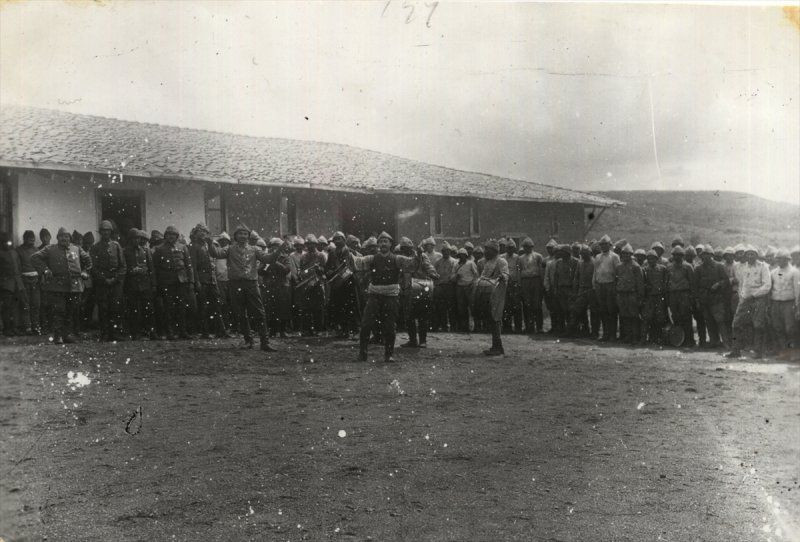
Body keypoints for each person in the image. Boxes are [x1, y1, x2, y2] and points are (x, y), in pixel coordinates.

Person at [347, 231, 424, 362]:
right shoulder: (372, 258)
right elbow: (357, 263)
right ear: (378, 244)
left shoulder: (397, 259)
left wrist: (419, 255)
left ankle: (389, 354)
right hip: (374, 294)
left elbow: (411, 265)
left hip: (391, 295)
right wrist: (348, 254)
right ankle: (363, 353)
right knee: (366, 324)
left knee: (389, 326)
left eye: (385, 241)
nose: (383, 243)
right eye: (381, 241)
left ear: (390, 244)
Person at [206, 224, 283, 351]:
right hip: (235, 284)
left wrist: (278, 251)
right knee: (241, 313)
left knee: (259, 312)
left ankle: (265, 342)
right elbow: (216, 253)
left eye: (245, 234)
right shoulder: (229, 249)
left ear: (248, 236)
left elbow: (268, 259)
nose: (243, 236)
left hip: (251, 284)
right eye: (240, 234)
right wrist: (209, 243)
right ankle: (248, 340)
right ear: (235, 236)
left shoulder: (255, 249)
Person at [31, 227, 92, 344]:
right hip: (57, 286)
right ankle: (58, 336)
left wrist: (85, 271)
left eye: (66, 236)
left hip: (74, 286)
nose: (64, 238)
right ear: (57, 238)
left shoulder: (77, 249)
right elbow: (34, 258)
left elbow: (88, 260)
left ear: (69, 238)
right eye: (61, 236)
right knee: (59, 311)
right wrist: (45, 270)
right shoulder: (50, 249)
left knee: (70, 311)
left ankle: (67, 335)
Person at [727, 246, 772, 358]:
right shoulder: (742, 268)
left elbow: (767, 285)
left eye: (752, 254)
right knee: (736, 323)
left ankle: (758, 352)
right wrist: (742, 296)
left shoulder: (763, 267)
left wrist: (754, 295)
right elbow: (742, 284)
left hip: (758, 299)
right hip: (745, 299)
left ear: (756, 256)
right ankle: (735, 350)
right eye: (748, 254)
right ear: (745, 256)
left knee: (758, 325)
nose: (750, 256)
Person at [152, 225, 194, 340]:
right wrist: (156, 283)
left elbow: (189, 266)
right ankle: (170, 332)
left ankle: (182, 331)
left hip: (181, 281)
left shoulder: (183, 247)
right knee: (168, 307)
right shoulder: (159, 249)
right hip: (166, 282)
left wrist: (191, 281)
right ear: (165, 236)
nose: (171, 237)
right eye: (169, 234)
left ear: (177, 236)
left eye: (173, 235)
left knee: (181, 307)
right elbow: (155, 268)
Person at [90, 220, 127, 341]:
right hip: (102, 283)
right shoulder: (95, 248)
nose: (106, 233)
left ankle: (115, 333)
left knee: (115, 308)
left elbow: (123, 266)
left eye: (108, 231)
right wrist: (104, 279)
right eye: (103, 231)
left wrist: (115, 279)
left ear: (111, 232)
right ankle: (105, 333)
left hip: (115, 283)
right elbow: (93, 268)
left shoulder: (116, 246)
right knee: (103, 308)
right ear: (100, 232)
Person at [399, 237, 438, 348]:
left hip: (420, 288)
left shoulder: (421, 256)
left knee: (422, 316)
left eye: (406, 248)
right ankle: (412, 340)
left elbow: (428, 266)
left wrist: (433, 273)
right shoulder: (401, 258)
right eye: (403, 248)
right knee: (409, 317)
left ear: (411, 247)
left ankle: (423, 341)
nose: (405, 250)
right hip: (407, 289)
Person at [189, 224, 227, 339]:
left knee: (216, 306)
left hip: (212, 280)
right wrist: (197, 282)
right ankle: (205, 332)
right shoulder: (193, 246)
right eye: (199, 231)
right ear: (195, 234)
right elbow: (193, 266)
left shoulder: (208, 245)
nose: (202, 234)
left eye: (205, 232)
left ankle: (221, 331)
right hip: (202, 280)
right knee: (203, 307)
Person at [472, 240, 509, 356]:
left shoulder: (501, 261)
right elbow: (483, 277)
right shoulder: (487, 262)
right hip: (488, 293)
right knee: (492, 319)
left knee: (496, 318)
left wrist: (503, 276)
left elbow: (506, 274)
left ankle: (498, 347)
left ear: (494, 251)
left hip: (498, 293)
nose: (485, 252)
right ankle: (496, 346)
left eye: (487, 250)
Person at [694, 245, 731, 349]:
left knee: (720, 320)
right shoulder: (698, 269)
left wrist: (718, 284)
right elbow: (695, 286)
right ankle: (714, 341)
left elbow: (726, 281)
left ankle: (726, 342)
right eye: (703, 255)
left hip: (717, 298)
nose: (705, 257)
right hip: (704, 299)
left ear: (712, 255)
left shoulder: (719, 266)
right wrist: (697, 299)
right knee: (709, 321)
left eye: (708, 255)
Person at [124, 229, 158, 340]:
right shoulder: (125, 251)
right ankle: (135, 333)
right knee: (134, 310)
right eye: (134, 238)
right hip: (132, 284)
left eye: (138, 238)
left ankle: (151, 331)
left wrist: (153, 284)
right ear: (130, 239)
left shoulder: (146, 250)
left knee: (148, 309)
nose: (136, 240)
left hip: (145, 284)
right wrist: (131, 271)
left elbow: (151, 268)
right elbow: (123, 267)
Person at [326, 232, 360, 338]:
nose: (336, 241)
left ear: (344, 240)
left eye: (339, 239)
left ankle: (354, 331)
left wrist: (345, 275)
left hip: (348, 283)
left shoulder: (350, 252)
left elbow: (354, 268)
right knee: (338, 307)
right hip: (337, 285)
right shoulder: (332, 253)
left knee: (351, 307)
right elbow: (328, 267)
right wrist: (329, 272)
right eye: (335, 240)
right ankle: (342, 330)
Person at [263, 238, 294, 338]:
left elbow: (286, 270)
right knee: (271, 309)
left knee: (283, 309)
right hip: (271, 286)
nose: (274, 248)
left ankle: (282, 330)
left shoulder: (286, 258)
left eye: (277, 246)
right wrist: (267, 265)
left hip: (282, 286)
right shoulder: (266, 258)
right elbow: (260, 271)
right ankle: (272, 331)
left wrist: (275, 262)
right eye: (273, 246)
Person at [769, 248, 799, 351]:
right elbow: (770, 288)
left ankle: (792, 351)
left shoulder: (794, 272)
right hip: (776, 303)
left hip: (789, 303)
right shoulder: (773, 272)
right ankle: (783, 351)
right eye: (777, 259)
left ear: (787, 259)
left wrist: (797, 306)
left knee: (790, 328)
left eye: (781, 259)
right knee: (777, 327)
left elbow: (797, 290)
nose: (778, 261)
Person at [296, 233, 327, 337]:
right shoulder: (303, 256)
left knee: (318, 308)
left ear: (316, 244)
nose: (310, 246)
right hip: (306, 284)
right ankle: (306, 329)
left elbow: (325, 271)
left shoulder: (321, 255)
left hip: (318, 283)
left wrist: (320, 269)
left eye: (312, 244)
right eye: (308, 244)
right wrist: (301, 275)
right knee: (306, 308)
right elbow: (300, 269)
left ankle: (319, 329)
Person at [666, 245, 696, 347]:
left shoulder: (688, 267)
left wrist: (692, 298)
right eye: (675, 255)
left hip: (684, 294)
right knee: (676, 317)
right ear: (672, 256)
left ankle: (689, 340)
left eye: (679, 255)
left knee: (686, 317)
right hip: (673, 295)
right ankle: (679, 340)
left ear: (683, 256)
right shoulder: (669, 267)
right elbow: (666, 283)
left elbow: (693, 283)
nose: (677, 257)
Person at [614, 244, 645, 344]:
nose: (625, 256)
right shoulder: (619, 266)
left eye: (627, 254)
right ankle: (627, 337)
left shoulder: (636, 266)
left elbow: (640, 283)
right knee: (624, 316)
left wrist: (640, 297)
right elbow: (616, 280)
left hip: (632, 294)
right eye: (624, 254)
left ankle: (635, 337)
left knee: (634, 317)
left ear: (631, 254)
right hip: (621, 294)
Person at [592, 234, 619, 341]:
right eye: (601, 244)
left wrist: (615, 287)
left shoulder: (614, 256)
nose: (603, 246)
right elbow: (595, 272)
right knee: (603, 310)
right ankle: (605, 334)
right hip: (600, 285)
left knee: (611, 310)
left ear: (610, 245)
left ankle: (612, 334)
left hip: (610, 285)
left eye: (605, 244)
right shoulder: (597, 257)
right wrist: (594, 284)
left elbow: (617, 272)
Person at [568, 245, 597, 337]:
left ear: (590, 253)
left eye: (585, 253)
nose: (583, 255)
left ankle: (594, 332)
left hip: (592, 290)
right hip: (581, 289)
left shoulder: (594, 263)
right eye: (582, 253)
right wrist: (575, 290)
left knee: (594, 312)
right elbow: (576, 277)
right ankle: (584, 330)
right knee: (579, 310)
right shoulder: (580, 263)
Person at [641, 249, 668, 344]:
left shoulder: (663, 269)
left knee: (659, 318)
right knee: (647, 317)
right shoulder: (644, 270)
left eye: (653, 259)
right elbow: (643, 283)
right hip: (649, 297)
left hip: (659, 297)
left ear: (657, 259)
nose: (651, 261)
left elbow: (665, 282)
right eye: (649, 259)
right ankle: (645, 338)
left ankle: (658, 338)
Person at [16, 230, 41, 335]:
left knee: (36, 304)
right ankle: (27, 327)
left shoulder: (36, 250)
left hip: (35, 280)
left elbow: (39, 265)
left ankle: (36, 326)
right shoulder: (19, 250)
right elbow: (17, 267)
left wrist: (39, 277)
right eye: (29, 238)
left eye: (33, 238)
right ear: (24, 239)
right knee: (25, 304)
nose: (32, 240)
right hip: (24, 280)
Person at [518, 237, 545, 334]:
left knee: (537, 304)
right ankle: (529, 326)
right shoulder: (520, 258)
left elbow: (541, 270)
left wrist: (541, 283)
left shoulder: (538, 256)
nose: (527, 248)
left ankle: (539, 327)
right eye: (525, 247)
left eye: (529, 247)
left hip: (536, 280)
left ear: (532, 247)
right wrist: (520, 284)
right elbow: (519, 271)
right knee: (527, 304)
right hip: (525, 281)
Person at [0, 232, 23, 336]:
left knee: (15, 307)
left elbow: (19, 267)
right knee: (6, 307)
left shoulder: (14, 253)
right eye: (5, 242)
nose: (7, 244)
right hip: (5, 284)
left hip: (17, 283)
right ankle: (7, 329)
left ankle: (15, 327)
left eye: (9, 242)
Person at [432, 242, 457, 332]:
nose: (445, 253)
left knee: (451, 307)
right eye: (444, 251)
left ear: (450, 251)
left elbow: (455, 274)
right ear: (442, 252)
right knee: (441, 307)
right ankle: (444, 326)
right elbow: (434, 273)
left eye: (447, 251)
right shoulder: (438, 262)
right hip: (440, 286)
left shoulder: (454, 262)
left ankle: (453, 326)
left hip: (450, 286)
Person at [552, 244, 576, 336]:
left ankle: (571, 330)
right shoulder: (559, 262)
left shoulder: (575, 262)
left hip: (570, 289)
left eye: (563, 252)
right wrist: (555, 288)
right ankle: (563, 329)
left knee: (570, 310)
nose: (561, 253)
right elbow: (556, 276)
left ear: (567, 253)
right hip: (560, 288)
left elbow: (576, 276)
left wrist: (574, 290)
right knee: (562, 310)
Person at [453, 247, 479, 332]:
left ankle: (475, 326)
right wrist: (456, 276)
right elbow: (452, 276)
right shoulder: (456, 265)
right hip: (460, 287)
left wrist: (473, 285)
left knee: (472, 307)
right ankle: (464, 327)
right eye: (460, 255)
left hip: (470, 287)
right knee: (461, 308)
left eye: (463, 255)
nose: (461, 257)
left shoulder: (471, 263)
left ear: (466, 256)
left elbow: (476, 275)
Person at [501, 238, 523, 334]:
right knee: (505, 306)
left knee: (517, 306)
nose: (510, 249)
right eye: (508, 248)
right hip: (505, 283)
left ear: (514, 249)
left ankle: (518, 327)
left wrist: (518, 283)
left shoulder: (518, 258)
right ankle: (507, 327)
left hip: (514, 284)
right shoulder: (502, 257)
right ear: (506, 248)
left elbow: (519, 271)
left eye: (512, 248)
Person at [214, 232, 234, 334]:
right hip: (220, 282)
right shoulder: (217, 253)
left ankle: (233, 327)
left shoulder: (231, 251)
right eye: (221, 241)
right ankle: (225, 327)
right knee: (223, 305)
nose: (223, 242)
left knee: (233, 304)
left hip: (231, 281)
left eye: (225, 241)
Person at [543, 238, 559, 333]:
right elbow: (546, 276)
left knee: (559, 308)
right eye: (548, 248)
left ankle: (560, 327)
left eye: (552, 248)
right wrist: (547, 287)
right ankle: (554, 326)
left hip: (559, 287)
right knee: (551, 307)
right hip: (551, 287)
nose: (550, 250)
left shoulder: (560, 260)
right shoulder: (546, 261)